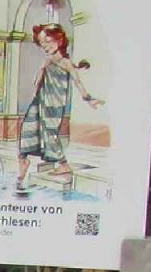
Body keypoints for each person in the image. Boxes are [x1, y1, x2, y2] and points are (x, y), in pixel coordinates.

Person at [13, 21, 100, 197]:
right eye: (41, 42)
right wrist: (42, 68)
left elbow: (78, 82)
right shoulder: (47, 61)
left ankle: (63, 164)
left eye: (47, 41)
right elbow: (36, 83)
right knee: (27, 129)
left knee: (50, 133)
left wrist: (89, 99)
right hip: (40, 101)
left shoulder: (65, 62)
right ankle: (23, 163)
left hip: (54, 103)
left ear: (59, 40)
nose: (44, 46)